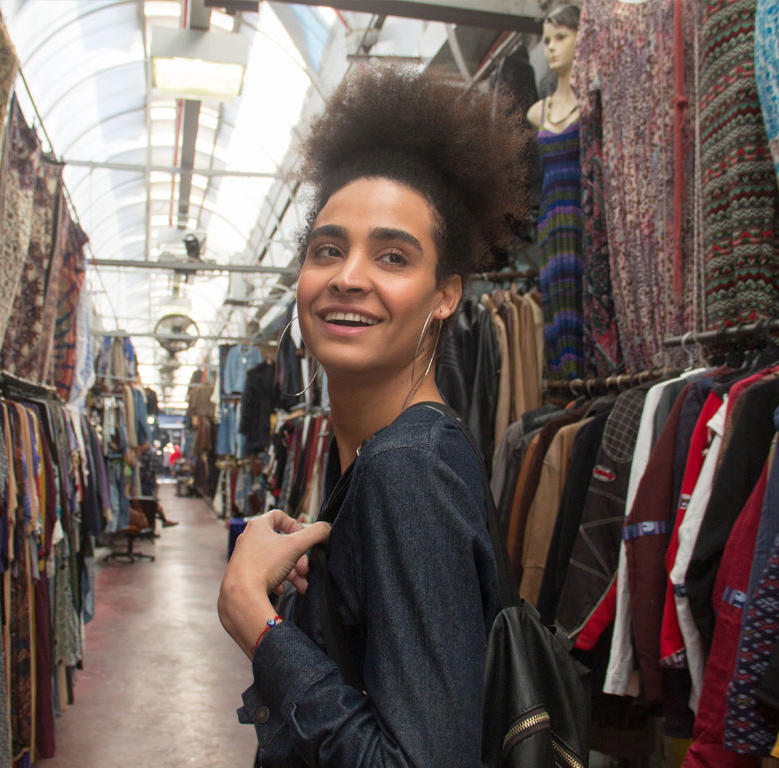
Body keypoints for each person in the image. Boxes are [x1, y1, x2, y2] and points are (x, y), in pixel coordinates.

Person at [217, 66, 530, 766]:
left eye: (392, 255)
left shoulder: (405, 468)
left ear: (445, 293)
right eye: (328, 249)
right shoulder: (386, 453)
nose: (348, 275)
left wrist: (259, 624)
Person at [525, 4, 584, 381]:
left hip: (586, 218)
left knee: (588, 304)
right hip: (552, 227)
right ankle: (569, 385)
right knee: (558, 314)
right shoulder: (537, 112)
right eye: (547, 40)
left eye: (561, 37)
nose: (551, 48)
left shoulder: (592, 102)